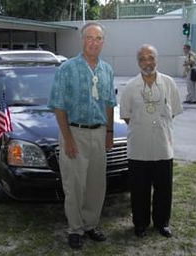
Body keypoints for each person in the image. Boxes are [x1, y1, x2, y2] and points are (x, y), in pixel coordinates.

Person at [48, 22, 116, 249]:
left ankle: (91, 225)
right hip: (74, 133)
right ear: (82, 40)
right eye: (90, 37)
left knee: (97, 184)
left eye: (98, 38)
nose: (94, 42)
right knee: (74, 185)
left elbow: (109, 103)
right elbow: (59, 106)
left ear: (103, 42)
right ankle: (75, 229)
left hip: (98, 133)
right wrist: (67, 138)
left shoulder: (107, 70)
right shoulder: (67, 69)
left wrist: (109, 133)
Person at [120, 44, 183, 239]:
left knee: (164, 188)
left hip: (163, 145)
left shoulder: (169, 83)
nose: (147, 62)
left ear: (157, 59)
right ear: (138, 62)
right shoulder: (130, 87)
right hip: (138, 147)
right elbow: (127, 116)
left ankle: (162, 223)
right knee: (140, 190)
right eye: (142, 59)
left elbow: (173, 112)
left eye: (151, 58)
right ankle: (140, 224)